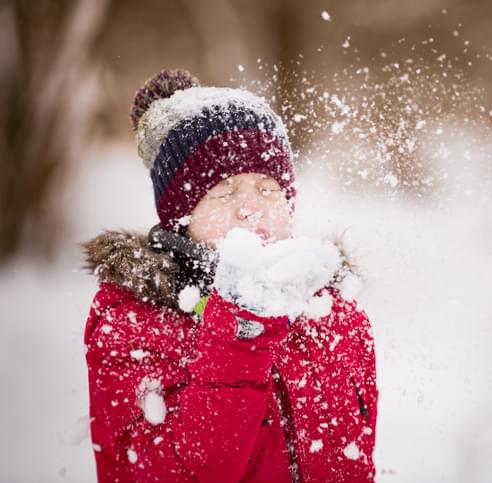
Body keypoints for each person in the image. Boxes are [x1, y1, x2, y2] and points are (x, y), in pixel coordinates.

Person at [82, 69, 378, 482]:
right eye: (223, 191)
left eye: (267, 188)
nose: (250, 209)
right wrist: (242, 332)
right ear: (179, 219)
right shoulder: (132, 324)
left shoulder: (334, 317)